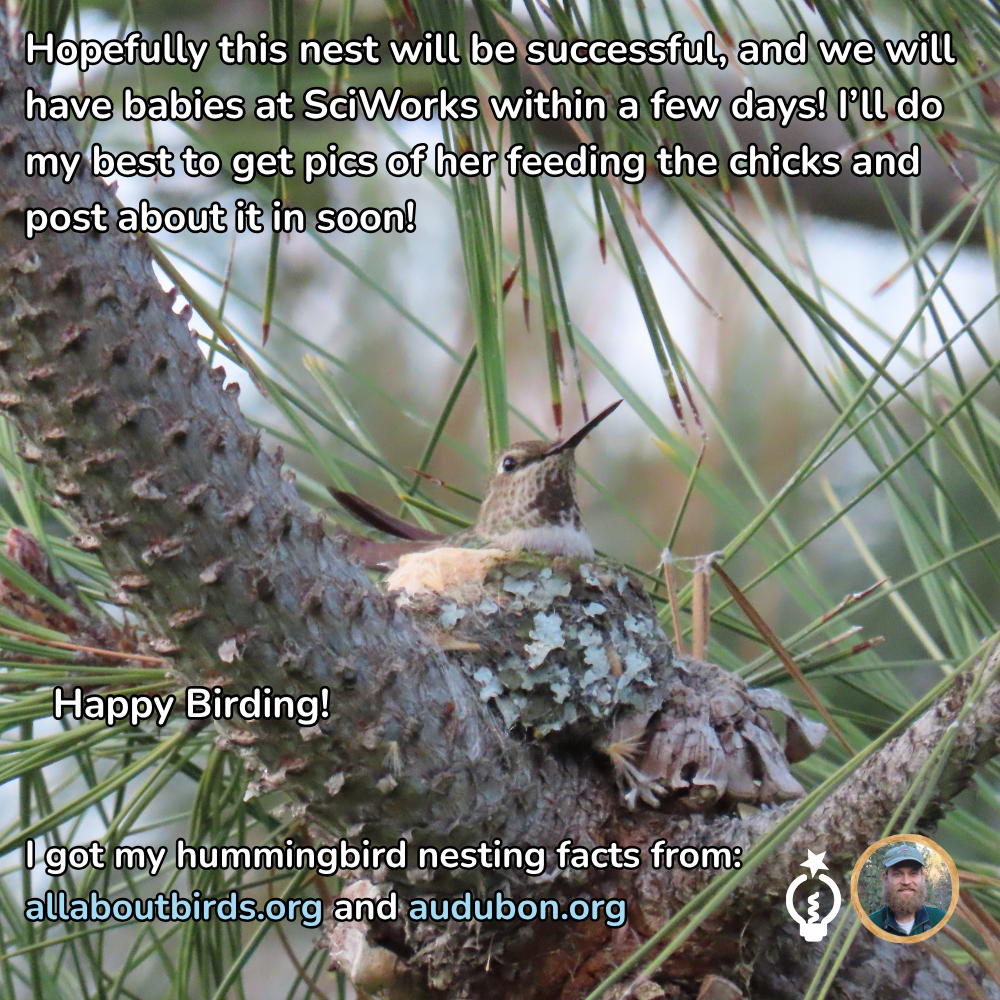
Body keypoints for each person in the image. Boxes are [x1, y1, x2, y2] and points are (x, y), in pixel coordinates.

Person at [867, 843, 948, 936]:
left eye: (913, 873)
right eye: (897, 874)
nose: (906, 882)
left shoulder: (941, 920)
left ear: (922, 878)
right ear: (885, 879)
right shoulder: (869, 925)